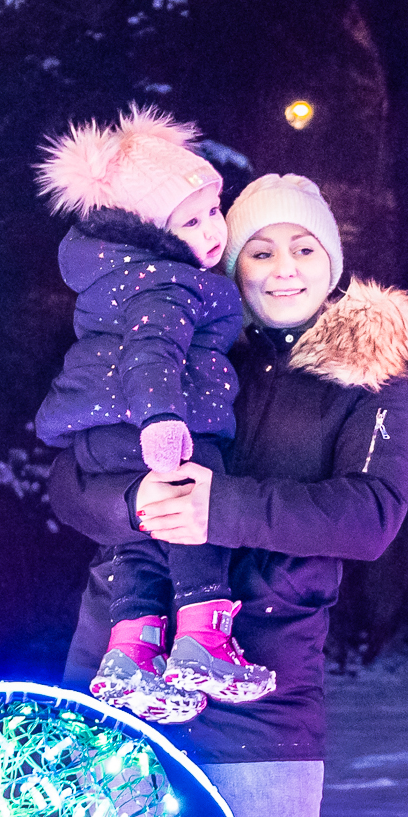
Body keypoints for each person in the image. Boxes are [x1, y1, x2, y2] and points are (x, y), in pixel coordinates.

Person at [46, 172, 408, 817]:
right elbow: (68, 477)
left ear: (332, 263)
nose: (283, 266)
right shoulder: (168, 333)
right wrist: (130, 504)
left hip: (266, 679)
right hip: (128, 668)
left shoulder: (365, 371)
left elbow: (372, 515)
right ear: (229, 257)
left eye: (304, 248)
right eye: (261, 247)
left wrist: (228, 507)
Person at [30, 107, 273, 721]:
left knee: (136, 537)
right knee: (194, 517)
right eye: (189, 221)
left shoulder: (115, 279)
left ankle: (131, 653)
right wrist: (164, 421)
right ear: (154, 234)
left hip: (103, 433)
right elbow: (153, 352)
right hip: (161, 422)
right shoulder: (167, 284)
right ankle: (202, 640)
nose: (212, 229)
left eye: (213, 210)